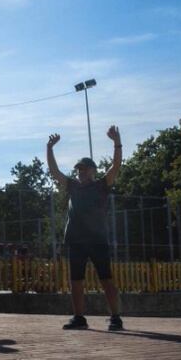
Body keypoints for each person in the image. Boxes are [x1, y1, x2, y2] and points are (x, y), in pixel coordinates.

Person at [47, 126, 124, 331]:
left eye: (84, 169)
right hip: (76, 241)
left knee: (106, 279)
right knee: (76, 281)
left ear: (93, 170)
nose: (80, 172)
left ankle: (115, 317)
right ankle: (79, 317)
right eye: (78, 169)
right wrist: (50, 148)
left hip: (97, 240)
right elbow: (54, 172)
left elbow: (116, 166)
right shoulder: (73, 186)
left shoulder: (101, 185)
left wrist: (117, 142)